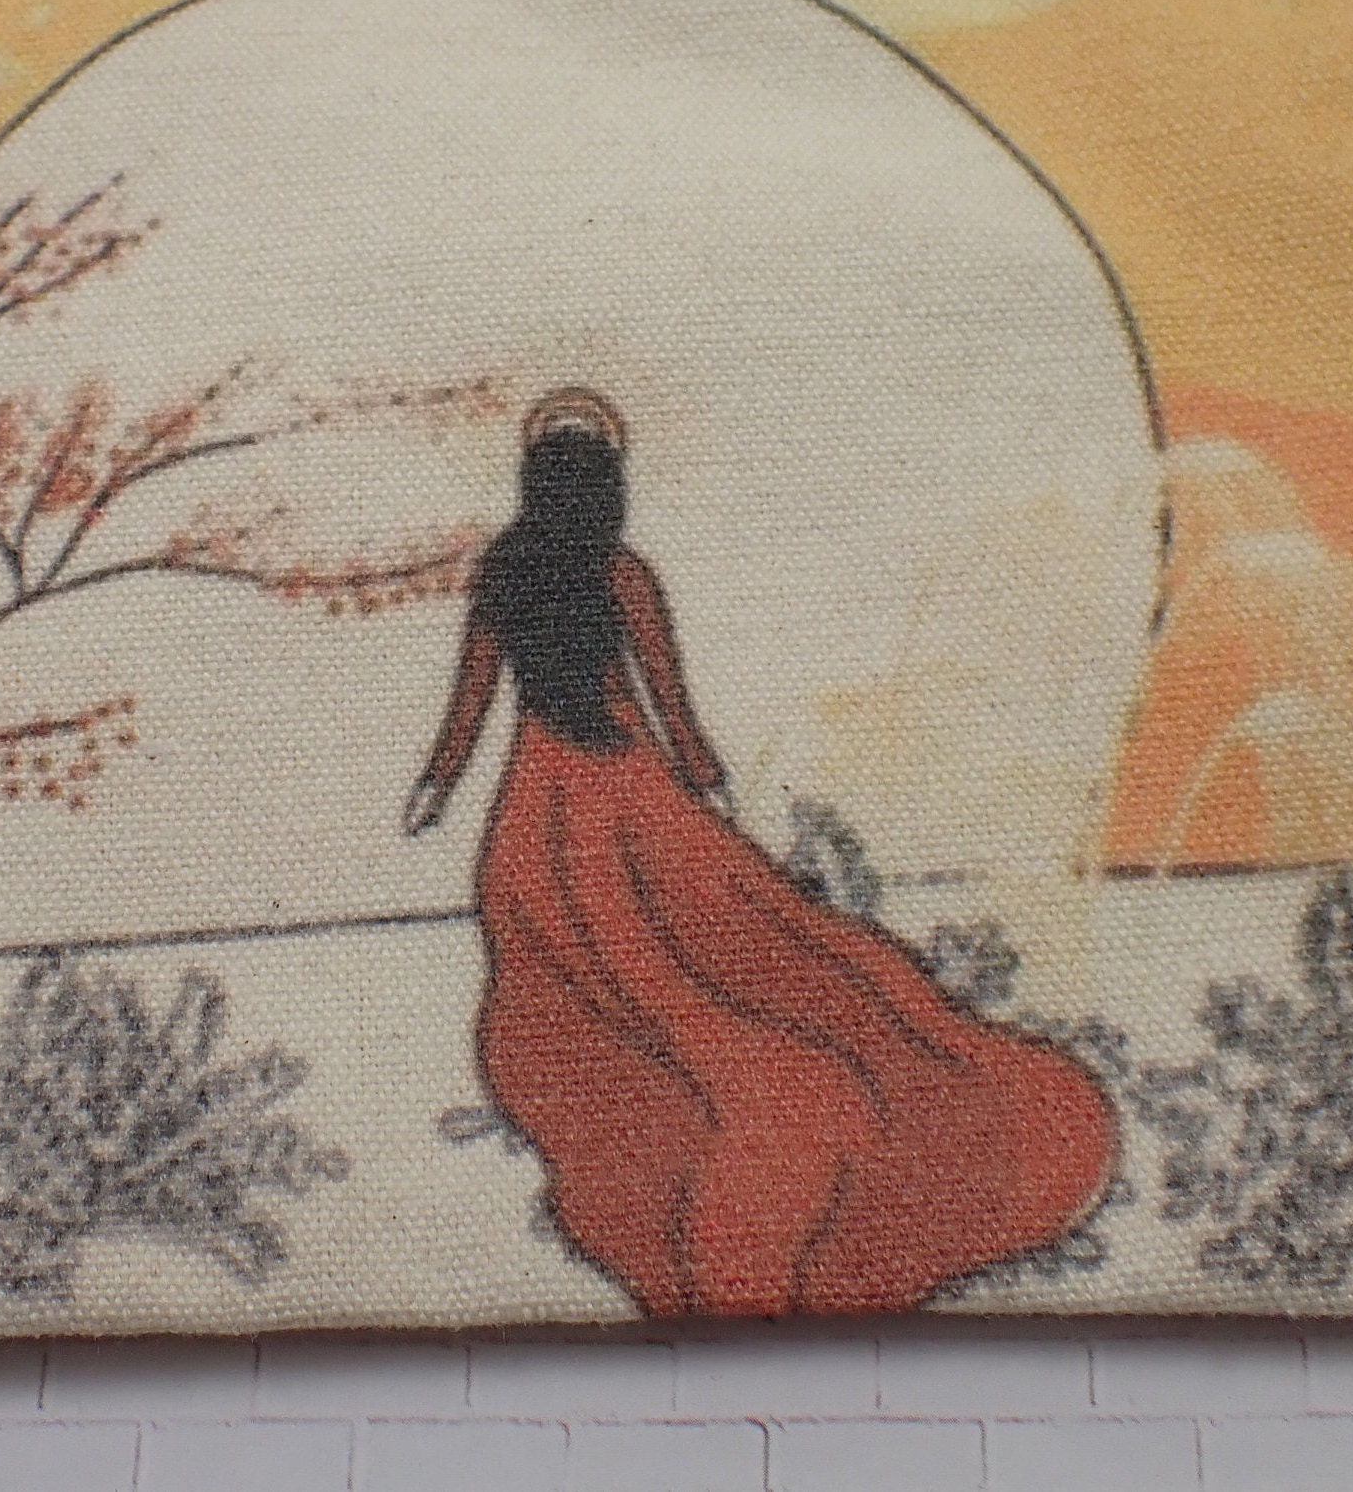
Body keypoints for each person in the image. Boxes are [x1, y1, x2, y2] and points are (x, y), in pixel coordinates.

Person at [406, 387, 1118, 1316]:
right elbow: (667, 698)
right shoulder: (621, 575)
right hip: (626, 789)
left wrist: (437, 786)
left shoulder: (506, 574)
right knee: (733, 947)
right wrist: (706, 782)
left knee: (601, 964)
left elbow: (470, 702)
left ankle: (628, 1107)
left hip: (542, 803)